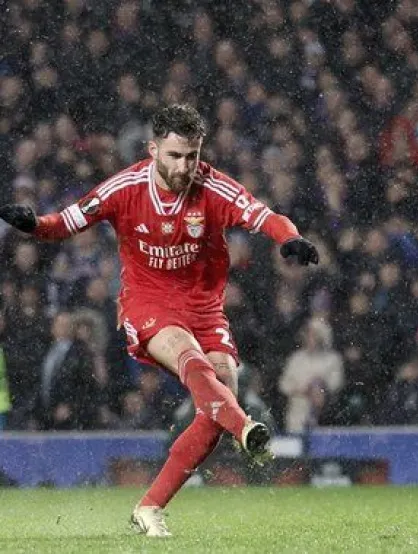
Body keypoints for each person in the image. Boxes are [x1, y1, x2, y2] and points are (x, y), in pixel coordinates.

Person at [0, 104, 318, 536]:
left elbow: (264, 216)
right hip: (148, 302)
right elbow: (67, 222)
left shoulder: (212, 185)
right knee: (197, 367)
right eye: (174, 156)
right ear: (153, 149)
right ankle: (246, 428)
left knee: (215, 402)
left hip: (205, 306)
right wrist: (34, 224)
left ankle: (149, 508)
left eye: (192, 155)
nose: (185, 166)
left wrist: (291, 238)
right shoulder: (125, 187)